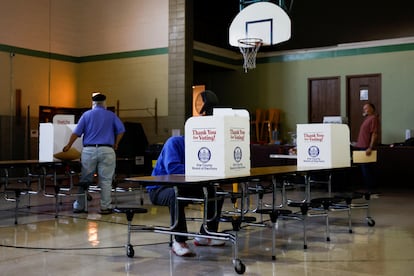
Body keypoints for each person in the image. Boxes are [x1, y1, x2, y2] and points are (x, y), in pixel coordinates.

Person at [146, 90, 225, 257]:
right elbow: (173, 169)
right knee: (175, 195)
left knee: (215, 192)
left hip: (183, 186)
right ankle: (179, 241)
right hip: (160, 189)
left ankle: (206, 234)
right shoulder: (174, 143)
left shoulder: (202, 147)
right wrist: (201, 169)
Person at [63, 93, 125, 214]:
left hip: (89, 150)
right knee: (106, 180)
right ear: (104, 103)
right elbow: (121, 130)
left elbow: (76, 132)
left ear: (93, 103)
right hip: (107, 150)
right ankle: (105, 207)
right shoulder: (111, 115)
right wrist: (116, 143)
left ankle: (79, 206)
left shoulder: (86, 115)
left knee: (85, 179)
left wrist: (69, 145)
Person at [354, 102, 379, 193]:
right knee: (365, 168)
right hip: (362, 146)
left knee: (367, 168)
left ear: (372, 109)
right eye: (364, 109)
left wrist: (370, 147)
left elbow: (374, 134)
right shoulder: (367, 119)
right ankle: (368, 187)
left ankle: (370, 188)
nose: (364, 110)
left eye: (366, 108)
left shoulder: (373, 118)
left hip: (366, 147)